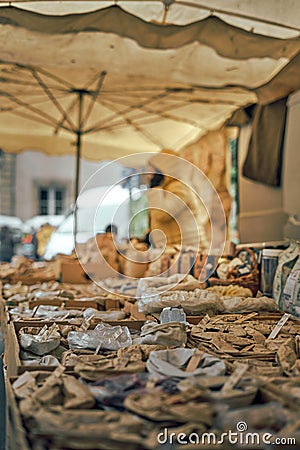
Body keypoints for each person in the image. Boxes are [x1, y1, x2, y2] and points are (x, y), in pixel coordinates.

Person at [146, 150, 209, 250]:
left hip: (191, 252)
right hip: (178, 252)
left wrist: (155, 187)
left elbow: (162, 214)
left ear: (164, 168)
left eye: (152, 170)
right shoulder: (166, 189)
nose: (148, 175)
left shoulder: (179, 188)